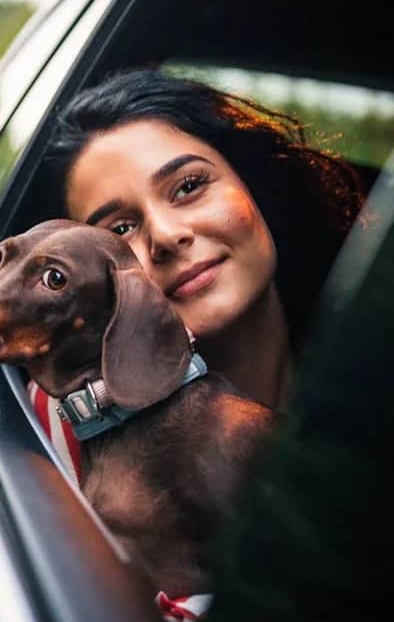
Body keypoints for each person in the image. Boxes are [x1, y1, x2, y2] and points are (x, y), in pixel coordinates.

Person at [42, 67, 364, 413]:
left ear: (250, 181)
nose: (165, 235)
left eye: (189, 186)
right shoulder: (64, 434)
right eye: (119, 230)